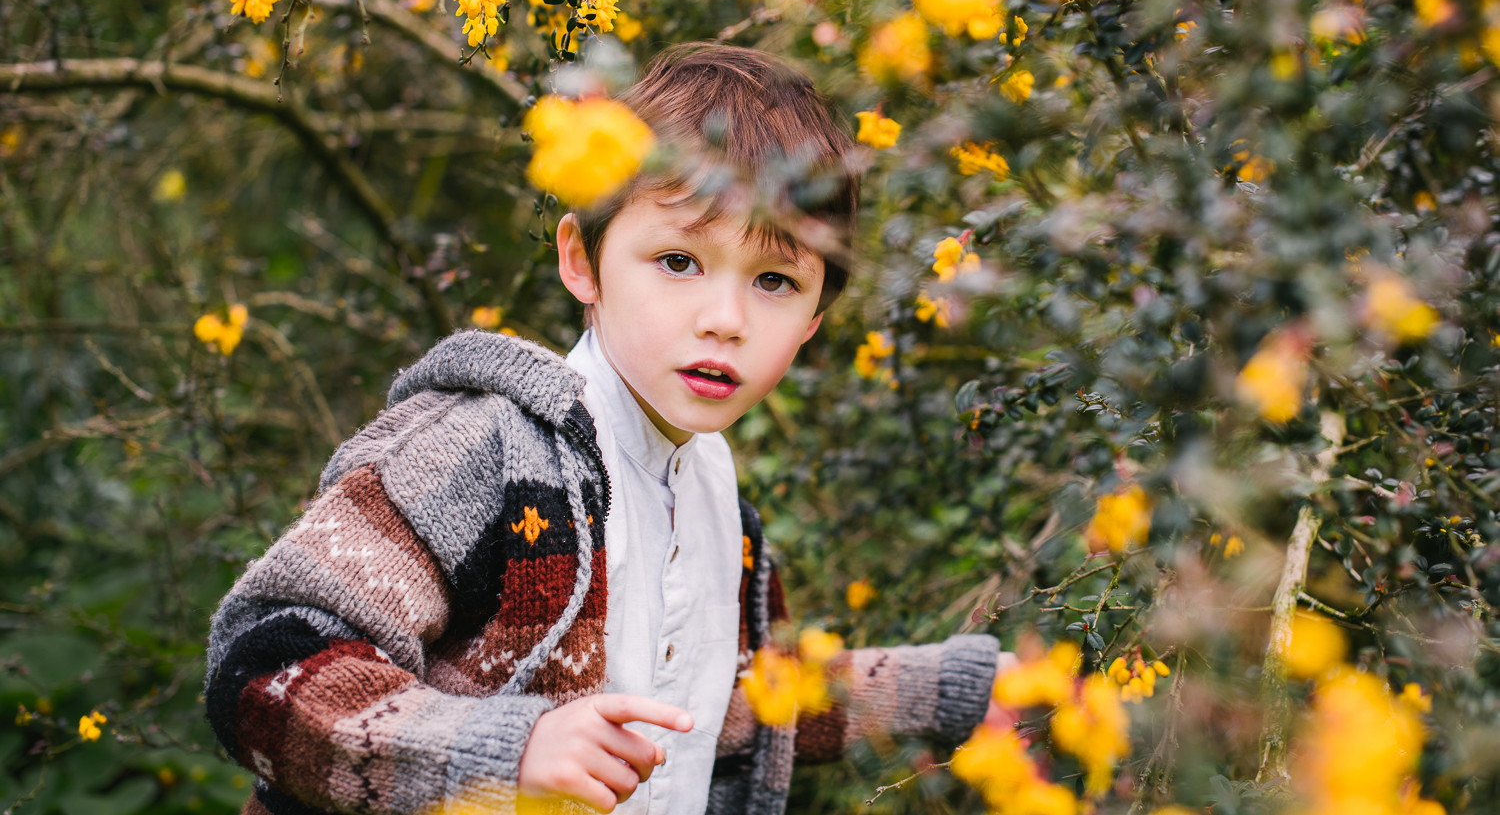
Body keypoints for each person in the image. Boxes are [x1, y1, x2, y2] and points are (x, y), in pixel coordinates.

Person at [205, 44, 1006, 815]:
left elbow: (726, 705)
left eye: (773, 280)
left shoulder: (714, 497)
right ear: (582, 261)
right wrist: (503, 750)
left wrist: (954, 688)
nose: (724, 320)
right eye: (679, 261)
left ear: (813, 319)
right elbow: (264, 666)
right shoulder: (486, 451)